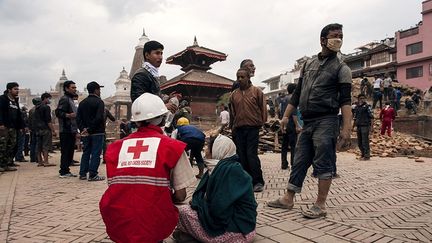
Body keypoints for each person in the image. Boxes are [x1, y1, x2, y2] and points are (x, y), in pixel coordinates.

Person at [268, 23, 352, 219]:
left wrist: (346, 128)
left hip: (327, 120)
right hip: (308, 122)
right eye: (334, 36)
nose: (338, 39)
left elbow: (346, 101)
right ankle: (288, 199)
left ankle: (320, 205)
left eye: (341, 36)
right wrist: (286, 116)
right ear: (323, 40)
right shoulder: (309, 64)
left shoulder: (342, 68)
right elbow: (297, 94)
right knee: (299, 160)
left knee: (324, 162)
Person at [100, 93, 195, 243]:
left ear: (136, 121)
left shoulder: (115, 148)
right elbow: (180, 196)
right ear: (163, 118)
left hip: (118, 221)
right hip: (153, 224)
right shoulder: (172, 147)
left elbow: (115, 186)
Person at [174, 134, 257, 243]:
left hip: (239, 232)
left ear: (218, 150)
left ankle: (200, 236)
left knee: (182, 212)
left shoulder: (230, 171)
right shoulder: (218, 168)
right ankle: (194, 235)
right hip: (241, 226)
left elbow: (218, 211)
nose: (205, 149)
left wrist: (199, 205)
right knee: (187, 211)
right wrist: (199, 203)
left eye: (208, 147)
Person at [229, 68, 267, 192]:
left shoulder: (257, 92)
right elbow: (232, 113)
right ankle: (247, 181)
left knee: (251, 154)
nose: (240, 79)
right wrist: (233, 127)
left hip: (253, 128)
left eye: (242, 77)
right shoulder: (234, 95)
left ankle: (258, 181)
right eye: (238, 77)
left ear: (248, 77)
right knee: (241, 155)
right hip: (239, 128)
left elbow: (263, 109)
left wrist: (262, 124)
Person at [130, 40, 176, 113]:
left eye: (161, 53)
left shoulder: (152, 75)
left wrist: (168, 99)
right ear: (147, 55)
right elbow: (139, 104)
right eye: (157, 53)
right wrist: (163, 107)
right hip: (145, 123)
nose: (160, 57)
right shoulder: (141, 76)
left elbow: (154, 98)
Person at [76, 81, 106, 181]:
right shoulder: (99, 102)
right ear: (96, 90)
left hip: (85, 133)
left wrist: (83, 129)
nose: (100, 92)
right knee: (96, 153)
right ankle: (93, 174)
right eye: (99, 90)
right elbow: (98, 118)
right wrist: (90, 129)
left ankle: (83, 173)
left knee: (86, 152)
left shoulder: (82, 103)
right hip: (97, 132)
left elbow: (78, 118)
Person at [55, 80, 78, 178]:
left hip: (71, 129)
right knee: (66, 151)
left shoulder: (71, 99)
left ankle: (66, 170)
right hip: (65, 129)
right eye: (72, 87)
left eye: (75, 87)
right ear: (66, 88)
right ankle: (63, 171)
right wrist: (68, 115)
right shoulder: (64, 99)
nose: (74, 89)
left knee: (70, 151)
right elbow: (58, 112)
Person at [0, 82, 25, 172]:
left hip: (13, 127)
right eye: (15, 89)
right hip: (4, 126)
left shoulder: (15, 100)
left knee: (12, 145)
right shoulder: (2, 99)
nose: (17, 91)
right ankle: (1, 164)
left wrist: (22, 126)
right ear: (9, 90)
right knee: (3, 146)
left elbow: (19, 114)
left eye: (18, 89)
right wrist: (1, 124)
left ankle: (8, 163)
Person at [33, 93, 57, 167]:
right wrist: (53, 130)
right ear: (45, 98)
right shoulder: (46, 107)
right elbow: (48, 121)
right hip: (45, 129)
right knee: (45, 146)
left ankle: (40, 162)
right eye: (49, 98)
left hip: (38, 129)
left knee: (38, 146)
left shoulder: (36, 108)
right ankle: (46, 162)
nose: (50, 100)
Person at [280, 84, 301, 170]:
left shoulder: (282, 99)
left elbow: (280, 111)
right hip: (291, 124)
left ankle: (284, 164)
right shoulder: (293, 99)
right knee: (293, 145)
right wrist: (297, 125)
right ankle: (294, 163)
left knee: (284, 146)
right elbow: (294, 114)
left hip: (284, 124)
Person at [353, 94, 373, 160]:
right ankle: (363, 154)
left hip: (365, 125)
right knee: (359, 142)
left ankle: (367, 156)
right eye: (361, 98)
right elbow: (355, 117)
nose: (362, 99)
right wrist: (353, 126)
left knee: (365, 141)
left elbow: (371, 117)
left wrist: (371, 127)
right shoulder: (357, 107)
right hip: (358, 126)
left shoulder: (367, 106)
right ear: (358, 99)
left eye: (363, 98)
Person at [28, 97, 41, 163]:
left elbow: (29, 120)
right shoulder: (38, 109)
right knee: (37, 144)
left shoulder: (31, 110)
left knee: (32, 143)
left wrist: (30, 128)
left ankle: (32, 158)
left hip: (32, 129)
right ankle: (37, 158)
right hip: (38, 129)